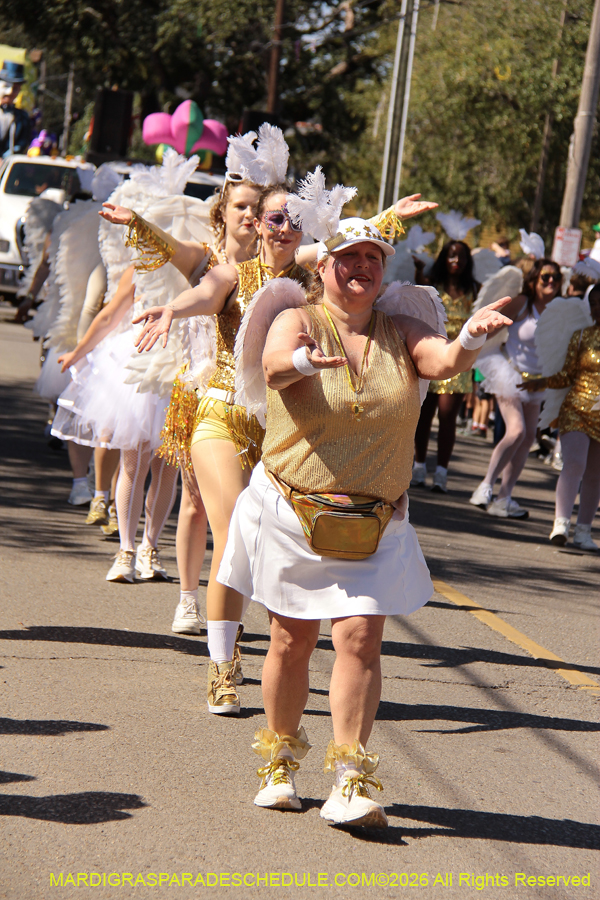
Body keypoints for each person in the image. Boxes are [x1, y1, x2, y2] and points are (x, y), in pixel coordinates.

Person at [216, 211, 511, 827]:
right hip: (294, 513)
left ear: (383, 271)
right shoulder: (297, 318)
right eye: (348, 258)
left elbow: (442, 360)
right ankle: (279, 764)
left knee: (359, 639)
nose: (361, 267)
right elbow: (272, 365)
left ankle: (349, 778)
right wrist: (301, 363)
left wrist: (472, 338)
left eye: (373, 259)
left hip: (376, 521)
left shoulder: (400, 329)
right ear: (323, 267)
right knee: (291, 641)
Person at [133, 185, 310, 715]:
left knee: (277, 549)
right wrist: (172, 309)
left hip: (280, 433)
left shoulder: (313, 287)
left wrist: (387, 220)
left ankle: (279, 658)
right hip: (220, 416)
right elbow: (206, 292)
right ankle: (222, 667)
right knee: (233, 535)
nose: (283, 226)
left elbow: (353, 254)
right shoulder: (234, 273)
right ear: (257, 223)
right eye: (274, 217)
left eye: (294, 218)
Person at [469, 258, 563, 517]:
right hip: (509, 374)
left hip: (537, 381)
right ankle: (485, 486)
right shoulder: (523, 303)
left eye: (556, 277)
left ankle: (504, 498)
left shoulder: (559, 309)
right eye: (546, 276)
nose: (551, 281)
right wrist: (467, 345)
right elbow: (490, 328)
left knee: (527, 439)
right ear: (534, 280)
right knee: (517, 431)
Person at [520, 283, 600, 550]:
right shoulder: (580, 336)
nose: (597, 308)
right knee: (574, 463)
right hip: (576, 408)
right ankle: (561, 523)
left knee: (595, 474)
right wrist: (539, 383)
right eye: (594, 303)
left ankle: (584, 531)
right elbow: (566, 375)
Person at [412, 240, 481, 491]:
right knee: (424, 416)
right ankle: (419, 466)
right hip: (432, 355)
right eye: (451, 255)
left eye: (461, 256)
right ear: (444, 258)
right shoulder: (432, 283)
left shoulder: (475, 289)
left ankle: (441, 472)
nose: (456, 260)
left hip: (459, 361)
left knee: (448, 417)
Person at [0, 61, 31, 157]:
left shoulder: (22, 118)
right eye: (7, 86)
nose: (10, 92)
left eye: (15, 89)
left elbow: (20, 145)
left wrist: (5, 159)